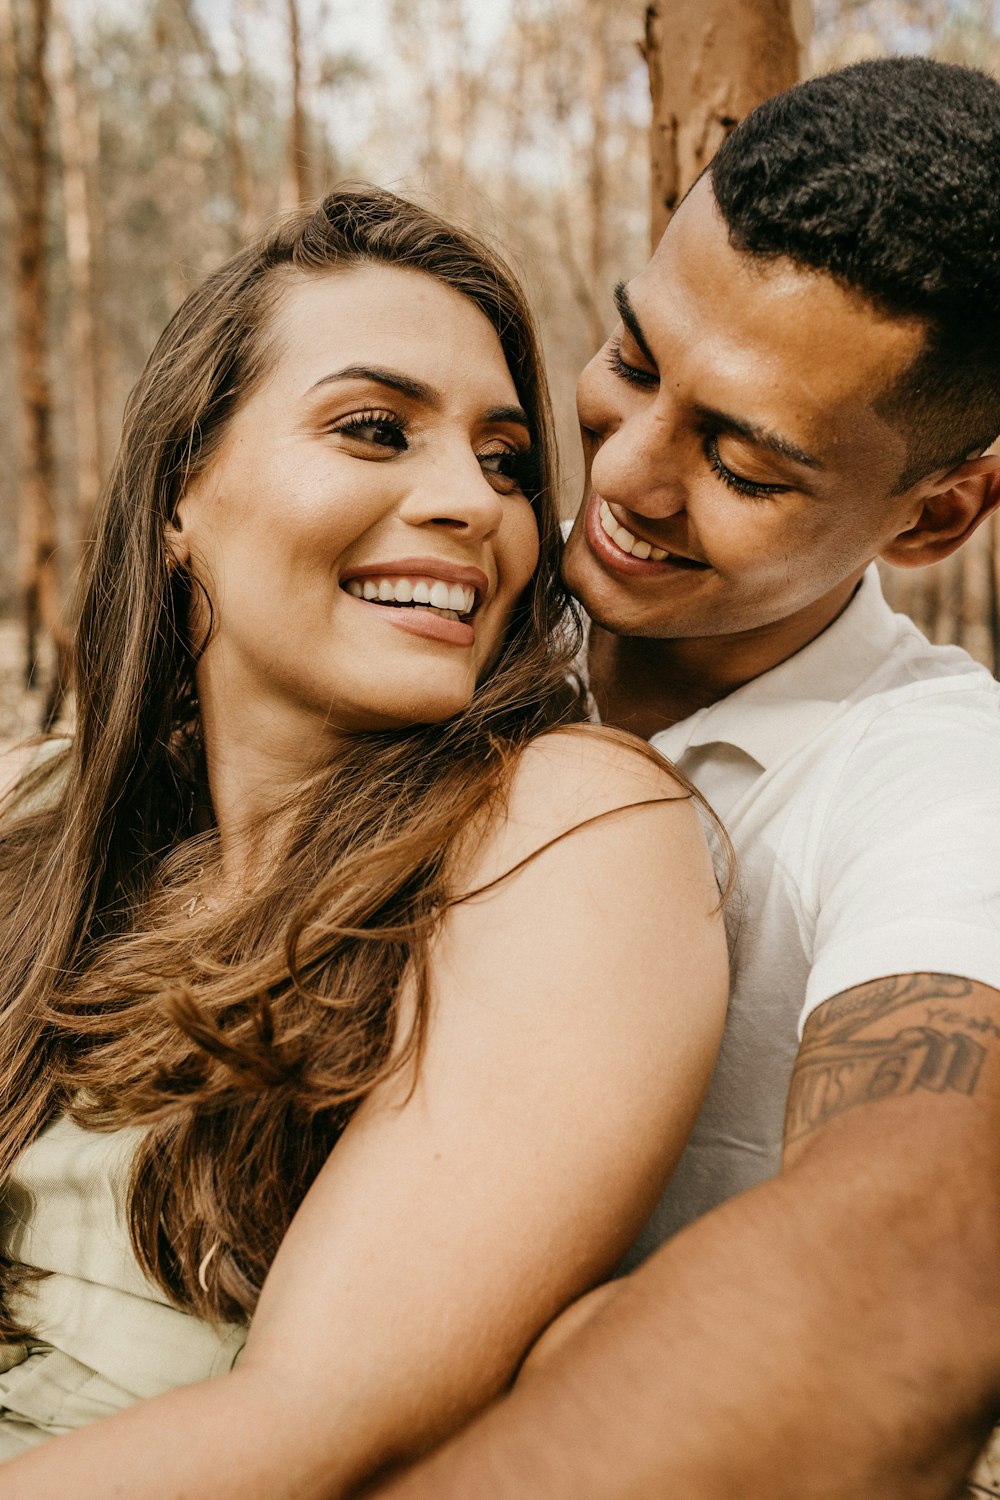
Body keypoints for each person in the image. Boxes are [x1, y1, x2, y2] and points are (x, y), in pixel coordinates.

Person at [0, 188, 729, 1493]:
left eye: (507, 460)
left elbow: (312, 1420)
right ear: (182, 490)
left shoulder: (571, 825)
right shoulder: (39, 815)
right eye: (374, 429)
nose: (472, 502)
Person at [373, 56, 1000, 1500]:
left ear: (938, 513)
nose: (627, 477)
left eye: (745, 461)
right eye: (637, 363)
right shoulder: (443, 611)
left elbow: (921, 1255)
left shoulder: (935, 784)